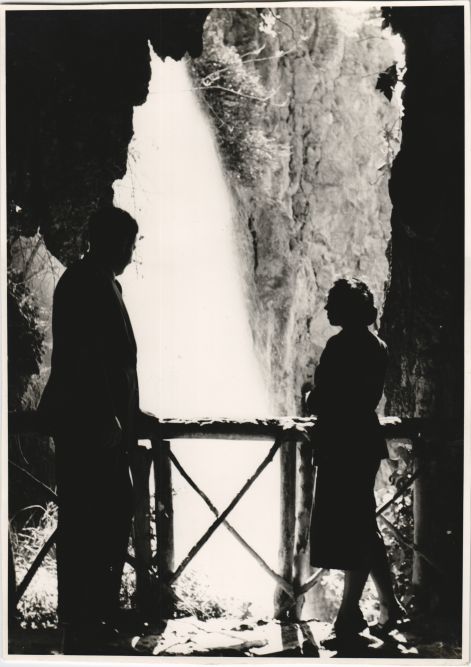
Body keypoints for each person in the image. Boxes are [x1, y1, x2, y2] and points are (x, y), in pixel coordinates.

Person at [38, 207, 158, 652]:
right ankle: (81, 622)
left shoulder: (102, 281)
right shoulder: (84, 281)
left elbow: (116, 362)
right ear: (108, 241)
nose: (131, 251)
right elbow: (85, 357)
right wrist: (107, 413)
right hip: (90, 427)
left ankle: (95, 617)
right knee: (89, 521)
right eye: (129, 242)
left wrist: (134, 413)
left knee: (107, 519)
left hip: (105, 427)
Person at [305, 278, 407, 645]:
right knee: (363, 524)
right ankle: (387, 605)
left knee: (353, 528)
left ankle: (349, 616)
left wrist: (309, 399)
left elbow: (323, 399)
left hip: (341, 443)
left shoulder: (339, 345)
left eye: (333, 303)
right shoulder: (377, 346)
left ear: (347, 309)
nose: (328, 310)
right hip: (364, 441)